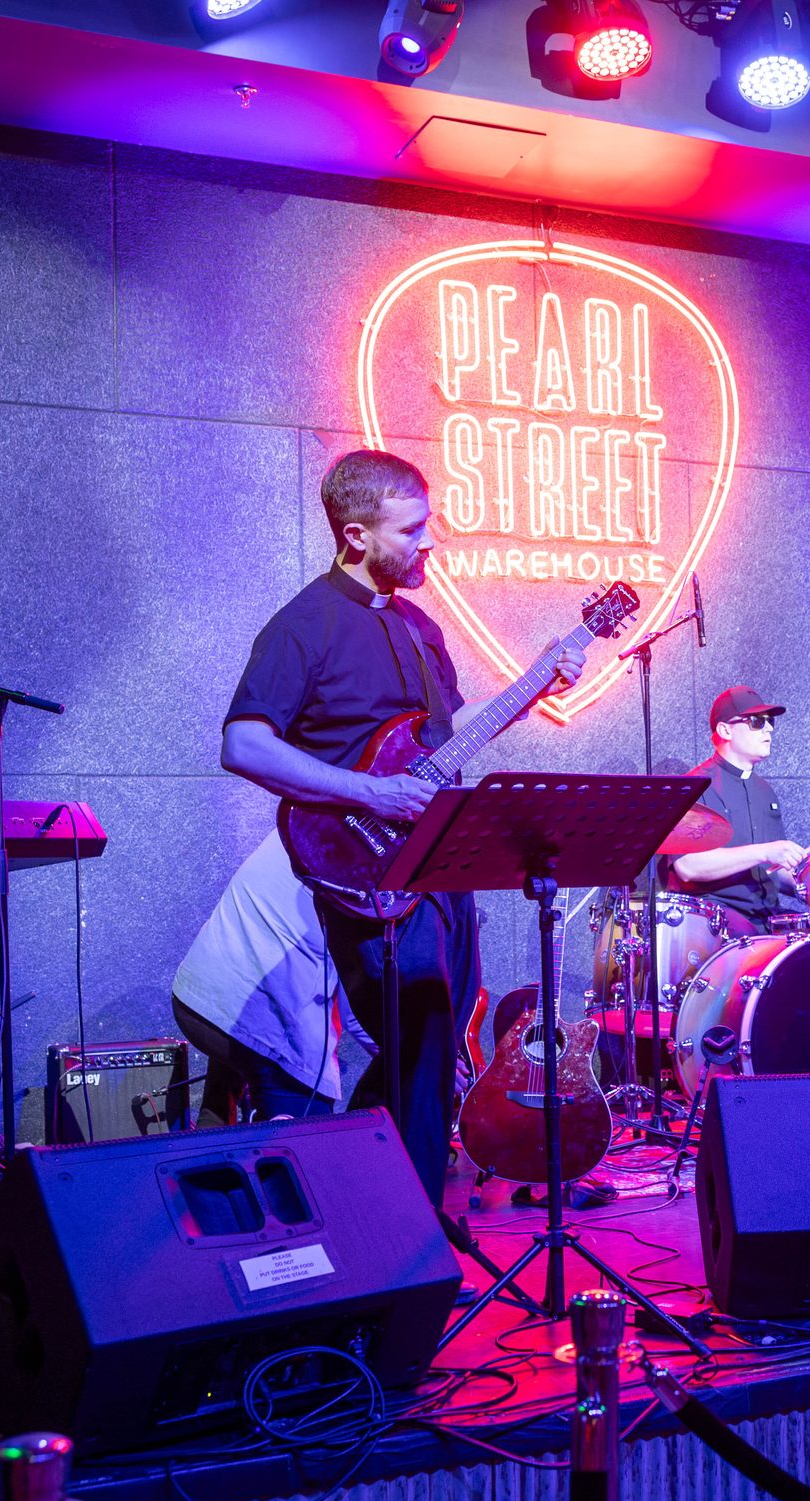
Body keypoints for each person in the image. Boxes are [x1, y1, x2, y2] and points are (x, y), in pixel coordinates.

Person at [217, 449, 584, 1204]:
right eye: (411, 530)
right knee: (422, 1035)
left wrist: (535, 684)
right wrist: (370, 793)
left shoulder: (420, 627)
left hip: (442, 862)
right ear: (356, 535)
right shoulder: (303, 626)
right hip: (363, 867)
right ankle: (412, 1218)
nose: (430, 542)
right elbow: (243, 744)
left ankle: (359, 1188)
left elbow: (448, 740)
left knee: (436, 1043)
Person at [172, 829, 374, 1126]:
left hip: (199, 997)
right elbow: (358, 1012)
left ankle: (212, 1135)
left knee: (220, 1109)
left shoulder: (305, 816)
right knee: (313, 1143)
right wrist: (418, 1063)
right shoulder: (371, 867)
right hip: (260, 1018)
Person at [665, 685, 810, 932]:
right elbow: (688, 866)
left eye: (770, 721)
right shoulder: (695, 787)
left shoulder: (765, 791)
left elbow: (772, 868)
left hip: (769, 919)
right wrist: (764, 852)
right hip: (717, 923)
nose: (769, 728)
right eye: (757, 721)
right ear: (725, 730)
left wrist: (809, 886)